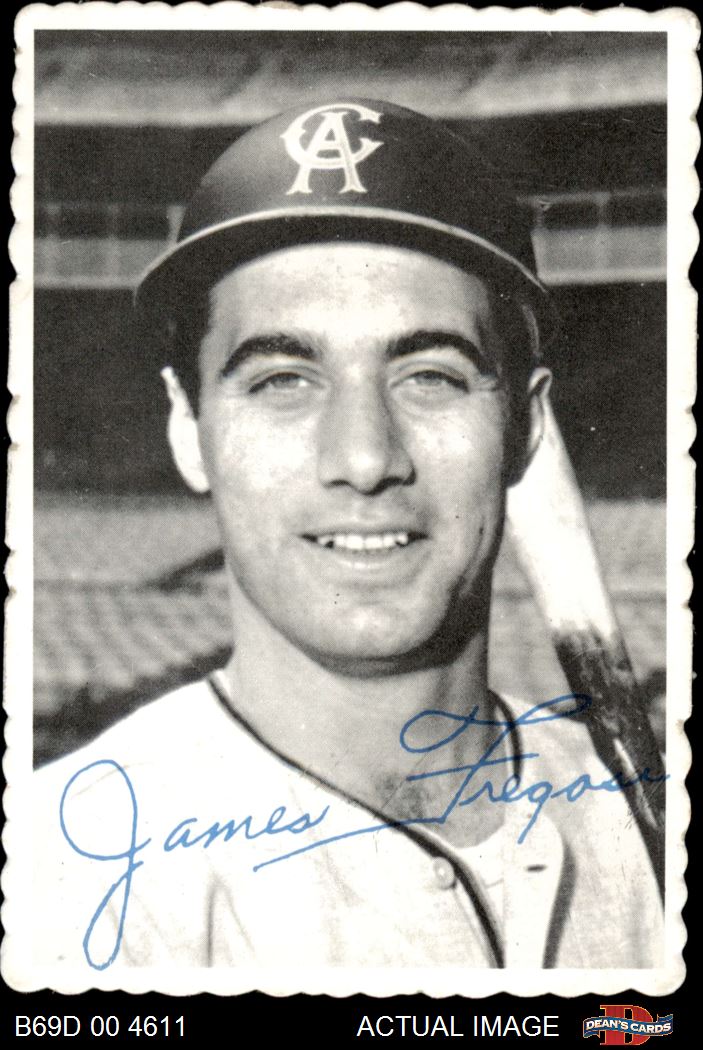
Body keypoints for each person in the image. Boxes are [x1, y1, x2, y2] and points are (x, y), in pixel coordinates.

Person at [30, 99, 662, 976]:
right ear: (187, 426)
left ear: (524, 427)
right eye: (282, 380)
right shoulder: (54, 880)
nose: (364, 459)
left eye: (431, 376)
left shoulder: (646, 823)